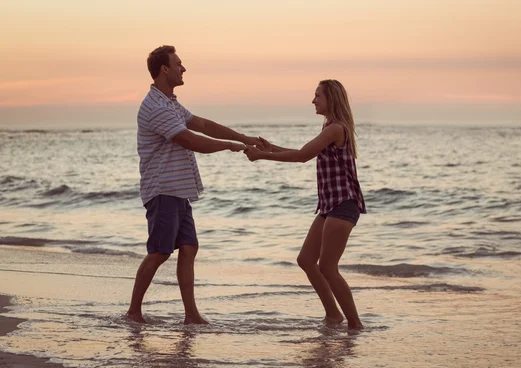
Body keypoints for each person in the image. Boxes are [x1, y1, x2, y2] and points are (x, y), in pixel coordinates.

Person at [126, 45, 263, 324]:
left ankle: (191, 315)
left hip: (179, 190)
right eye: (179, 63)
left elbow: (201, 124)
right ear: (164, 69)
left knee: (189, 248)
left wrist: (244, 137)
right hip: (162, 190)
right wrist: (230, 146)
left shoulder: (170, 103)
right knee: (160, 252)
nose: (183, 68)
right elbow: (189, 140)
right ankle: (133, 311)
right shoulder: (154, 106)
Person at [244, 79, 366, 330]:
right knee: (306, 260)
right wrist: (272, 148)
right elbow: (305, 151)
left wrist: (262, 156)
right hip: (330, 205)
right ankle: (334, 315)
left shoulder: (336, 129)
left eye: (317, 96)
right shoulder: (329, 127)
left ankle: (355, 324)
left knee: (328, 267)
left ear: (330, 98)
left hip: (344, 204)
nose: (313, 100)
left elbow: (302, 156)